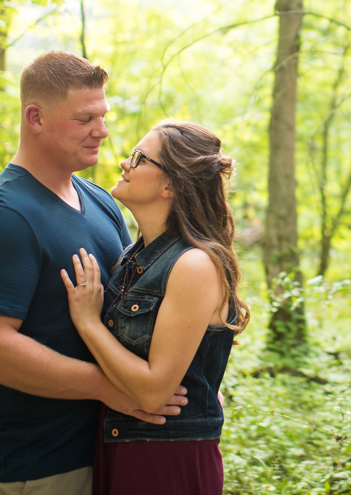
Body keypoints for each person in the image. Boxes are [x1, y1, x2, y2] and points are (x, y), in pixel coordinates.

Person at [0, 51, 186, 495]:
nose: (101, 130)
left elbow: (132, 308)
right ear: (36, 118)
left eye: (103, 115)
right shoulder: (3, 214)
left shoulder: (100, 200)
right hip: (29, 462)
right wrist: (107, 388)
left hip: (97, 444)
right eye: (85, 118)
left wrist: (191, 379)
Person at [62, 120, 250, 495]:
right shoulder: (135, 256)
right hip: (122, 443)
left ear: (170, 185)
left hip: (166, 458)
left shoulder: (194, 265)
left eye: (140, 158)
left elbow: (152, 393)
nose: (124, 164)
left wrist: (88, 322)